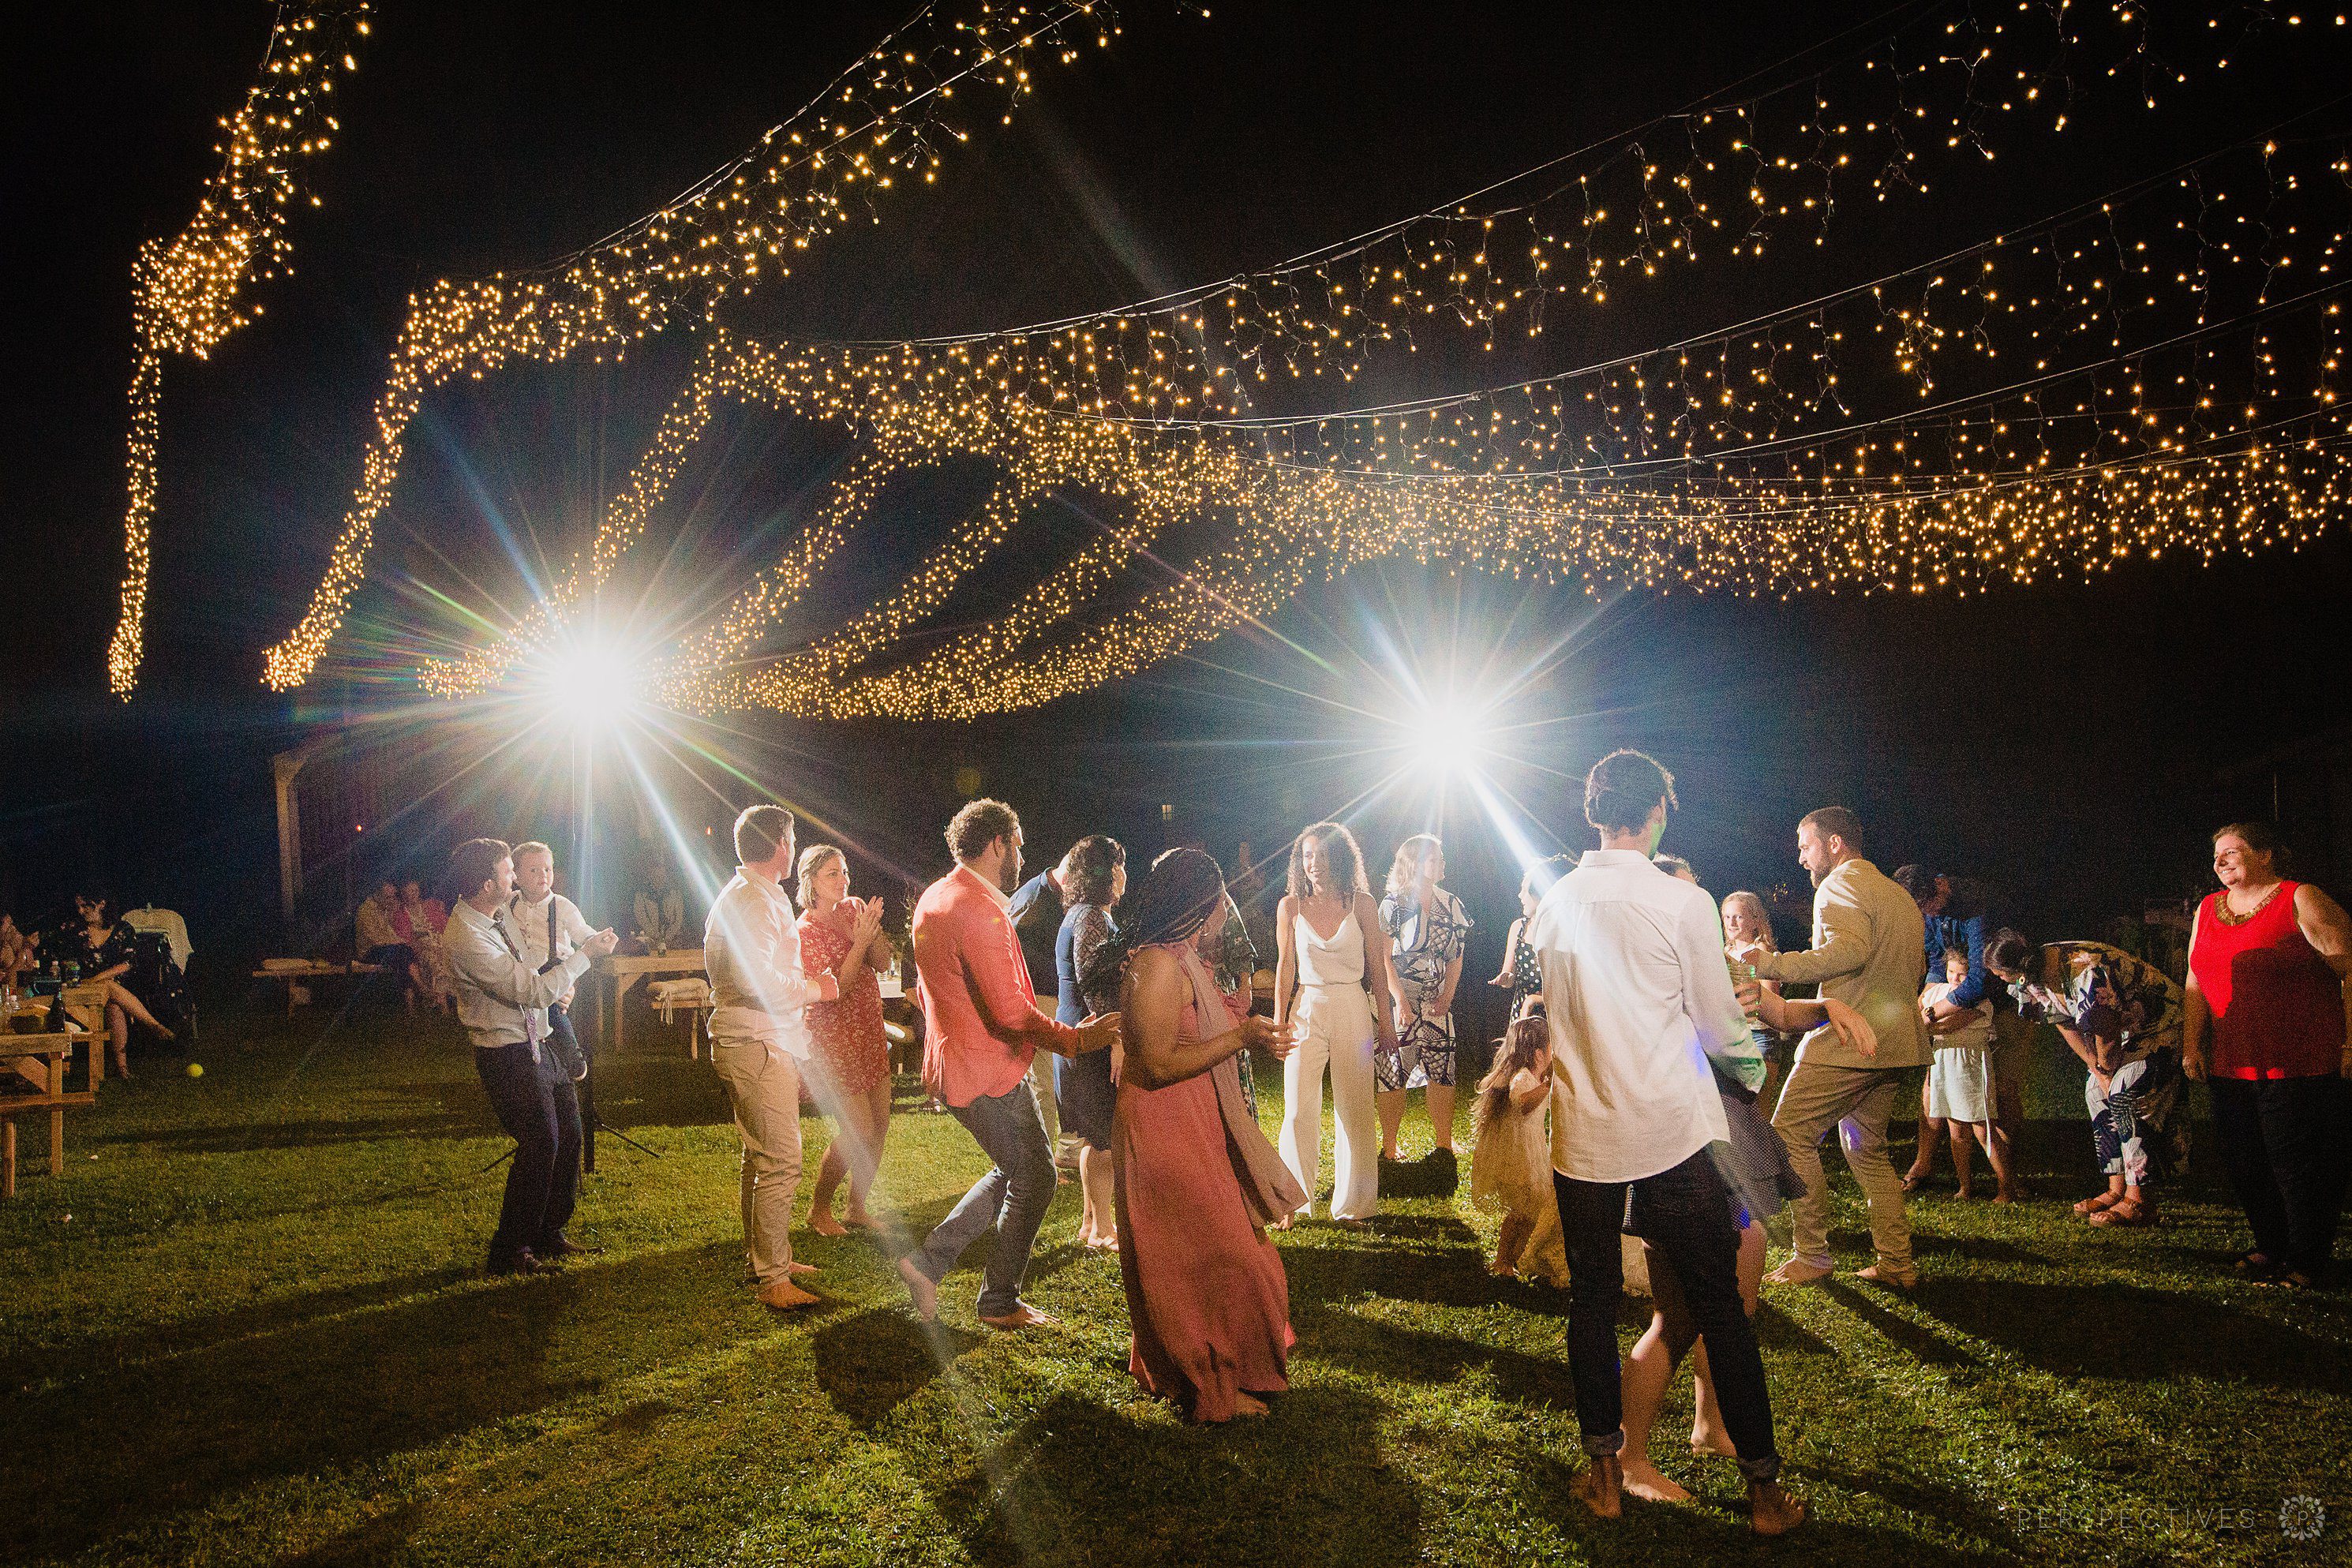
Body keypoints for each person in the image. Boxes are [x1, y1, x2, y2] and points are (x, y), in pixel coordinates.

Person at [1529, 748, 1803, 1534]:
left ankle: (1605, 1477)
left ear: (1592, 812)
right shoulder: (1684, 902)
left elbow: (1556, 1015)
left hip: (1583, 1133)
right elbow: (1721, 1028)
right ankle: (1763, 1495)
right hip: (1672, 1132)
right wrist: (1750, 1074)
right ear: (1657, 813)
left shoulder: (1555, 901)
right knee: (1720, 1305)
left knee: (1590, 1303)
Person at [1620, 960, 1872, 1508]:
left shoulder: (1709, 976)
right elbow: (1747, 1065)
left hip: (1722, 1151)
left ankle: (1707, 1426)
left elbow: (1781, 1012)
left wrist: (1828, 1006)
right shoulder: (1661, 987)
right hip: (1699, 1155)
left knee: (1723, 1305)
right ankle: (1629, 1459)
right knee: (1685, 1316)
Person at [1082, 848, 1304, 1421]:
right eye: (1220, 900)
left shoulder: (1186, 961)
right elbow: (1153, 1063)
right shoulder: (1157, 965)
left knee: (1222, 1252)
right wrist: (1242, 1037)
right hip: (1160, 1121)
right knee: (1211, 1256)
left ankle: (1204, 1367)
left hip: (1193, 1117)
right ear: (1201, 905)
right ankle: (1210, 1381)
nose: (1226, 912)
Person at [897, 799, 1119, 1328]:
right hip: (987, 1071)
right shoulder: (974, 908)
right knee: (1036, 1177)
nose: (1022, 853)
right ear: (997, 842)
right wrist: (1074, 1041)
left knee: (1017, 1169)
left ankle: (929, 1265)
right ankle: (996, 1298)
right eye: (1017, 842)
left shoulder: (937, 895)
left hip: (960, 1063)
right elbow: (1011, 1007)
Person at [1736, 806, 1929, 1289]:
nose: (1801, 858)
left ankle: (1813, 1255)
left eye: (1805, 846)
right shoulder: (1899, 896)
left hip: (1847, 1043)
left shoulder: (1838, 886)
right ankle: (1897, 1263)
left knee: (1788, 1136)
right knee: (1867, 1152)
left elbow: (1848, 952)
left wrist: (1770, 964)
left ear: (1835, 843)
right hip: (1896, 1045)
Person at [2184, 821, 2352, 1289]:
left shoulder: (2300, 898)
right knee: (2245, 1159)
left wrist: (2351, 1042)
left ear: (2267, 855)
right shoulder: (2207, 909)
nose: (2220, 861)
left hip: (2300, 1059)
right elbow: (2195, 981)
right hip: (2232, 1061)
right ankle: (2270, 1245)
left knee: (2297, 1163)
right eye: (2216, 854)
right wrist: (2191, 1045)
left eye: (2233, 851)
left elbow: (2349, 968)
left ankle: (2307, 1257)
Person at [440, 838, 617, 1275]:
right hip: (507, 1052)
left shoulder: (498, 915)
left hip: (542, 1038)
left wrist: (564, 982)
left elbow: (536, 966)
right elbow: (528, 989)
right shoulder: (466, 936)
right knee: (540, 1144)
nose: (514, 877)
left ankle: (548, 1232)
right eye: (507, 871)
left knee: (571, 1137)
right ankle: (510, 1249)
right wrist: (582, 960)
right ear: (486, 885)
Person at [705, 806, 839, 1311]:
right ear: (781, 843)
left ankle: (765, 1257)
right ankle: (773, 1280)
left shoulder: (756, 895)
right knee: (781, 1161)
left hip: (756, 1039)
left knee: (758, 1156)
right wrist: (816, 989)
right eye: (792, 837)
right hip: (755, 1041)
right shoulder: (753, 901)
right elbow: (754, 980)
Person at [1988, 928, 2184, 1228]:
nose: (2000, 980)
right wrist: (2095, 1068)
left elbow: (2105, 1030)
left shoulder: (2085, 970)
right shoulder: (2035, 975)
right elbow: (2063, 1022)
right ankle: (2115, 1188)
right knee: (2095, 1091)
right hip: (2127, 1032)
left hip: (2161, 1025)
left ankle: (2139, 1198)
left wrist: (2108, 1071)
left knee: (2122, 1092)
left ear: (2018, 969)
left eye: (2001, 974)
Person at [1272, 821, 1398, 1225]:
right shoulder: (1290, 906)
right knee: (1296, 1108)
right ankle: (1294, 1199)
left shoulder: (1362, 903)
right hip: (1306, 1008)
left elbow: (1377, 969)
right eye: (1308, 856)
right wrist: (1278, 1019)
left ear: (1339, 859)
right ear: (1300, 862)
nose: (1315, 864)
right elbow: (1284, 966)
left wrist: (1387, 1022)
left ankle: (1355, 1203)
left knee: (1356, 1106)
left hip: (1352, 1007)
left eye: (1323, 856)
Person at [1891, 866, 2015, 1192]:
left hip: (1999, 999)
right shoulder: (1929, 910)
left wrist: (1930, 1014)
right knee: (1933, 1088)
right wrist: (1923, 1002)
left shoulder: (1975, 905)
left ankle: (2009, 1173)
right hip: (1953, 1000)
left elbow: (1979, 981)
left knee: (2001, 1089)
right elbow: (1936, 961)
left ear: (1940, 889)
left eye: (1924, 906)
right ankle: (1925, 1161)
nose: (1923, 914)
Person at [796, 844, 893, 1238]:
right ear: (811, 882)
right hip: (834, 1040)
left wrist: (871, 932)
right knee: (858, 1131)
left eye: (844, 871)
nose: (843, 880)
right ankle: (819, 1208)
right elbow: (838, 986)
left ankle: (857, 1206)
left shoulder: (854, 909)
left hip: (868, 1031)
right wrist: (859, 943)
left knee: (880, 1127)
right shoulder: (805, 931)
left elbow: (884, 962)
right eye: (832, 873)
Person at [1378, 833, 1472, 1165]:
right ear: (1413, 864)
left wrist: (1447, 995)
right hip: (1399, 1001)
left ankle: (1443, 1146)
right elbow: (1384, 959)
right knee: (1392, 1072)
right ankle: (1389, 1147)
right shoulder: (1393, 905)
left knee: (1443, 1069)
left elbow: (1456, 958)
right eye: (1434, 859)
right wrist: (1399, 1000)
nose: (1441, 863)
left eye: (1441, 858)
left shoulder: (1452, 904)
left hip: (1437, 1002)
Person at [1054, 834, 1127, 1250]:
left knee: (1095, 1135)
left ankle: (1089, 1223)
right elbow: (1094, 982)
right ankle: (1102, 1229)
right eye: (1118, 865)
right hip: (1090, 1040)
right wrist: (1115, 1038)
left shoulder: (1084, 914)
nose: (1123, 874)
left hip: (1079, 1038)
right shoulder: (1091, 918)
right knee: (1102, 1138)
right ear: (1104, 873)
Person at [1468, 1014, 1567, 1285]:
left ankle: (1514, 1260)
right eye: (1550, 1048)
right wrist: (1547, 1086)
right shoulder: (1522, 1078)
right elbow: (1521, 1101)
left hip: (1529, 1153)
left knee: (1529, 1212)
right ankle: (1503, 1260)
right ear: (1538, 1054)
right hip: (1520, 1158)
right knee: (1521, 1214)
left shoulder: (1530, 1074)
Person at [1915, 947, 2016, 1201]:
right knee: (1956, 1131)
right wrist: (1927, 1021)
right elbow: (1920, 1015)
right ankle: (1965, 1187)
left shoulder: (1978, 998)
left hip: (1969, 1062)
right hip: (1943, 1062)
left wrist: (1928, 1022)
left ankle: (2006, 1187)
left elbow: (1951, 1025)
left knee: (1983, 1130)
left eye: (1962, 975)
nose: (1955, 980)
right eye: (1951, 972)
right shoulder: (1937, 991)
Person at [1007, 848, 1075, 1173]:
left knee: (1050, 1082)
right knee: (1044, 1084)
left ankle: (1054, 1152)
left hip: (1048, 999)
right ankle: (1043, 1163)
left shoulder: (1041, 891)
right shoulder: (1037, 899)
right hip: (1038, 998)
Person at [58, 891, 175, 1076]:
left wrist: (98, 979)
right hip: (83, 985)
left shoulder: (122, 929)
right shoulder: (75, 929)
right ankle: (153, 1025)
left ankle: (122, 1069)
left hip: (112, 985)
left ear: (101, 904)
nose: (81, 911)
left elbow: (127, 963)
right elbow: (66, 959)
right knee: (111, 992)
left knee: (114, 1005)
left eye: (86, 906)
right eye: (78, 907)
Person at [511, 843, 596, 1082]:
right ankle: (535, 1060)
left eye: (548, 869)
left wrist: (596, 938)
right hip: (524, 970)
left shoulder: (562, 905)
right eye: (534, 870)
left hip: (554, 967)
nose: (544, 875)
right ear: (516, 876)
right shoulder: (510, 903)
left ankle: (572, 1052)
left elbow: (582, 931)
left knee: (556, 1010)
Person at [1491, 856, 1574, 1023]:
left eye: (1525, 890)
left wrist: (1536, 999)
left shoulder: (1566, 931)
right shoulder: (1518, 928)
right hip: (1523, 1014)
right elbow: (1509, 976)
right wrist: (1505, 978)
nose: (1520, 895)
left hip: (1555, 1014)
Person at [355, 881, 421, 1010]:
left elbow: (391, 934)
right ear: (377, 895)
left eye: (392, 897)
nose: (390, 900)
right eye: (387, 897)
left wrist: (402, 942)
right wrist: (399, 943)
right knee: (402, 952)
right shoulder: (366, 911)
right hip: (369, 951)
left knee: (404, 954)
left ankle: (410, 998)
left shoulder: (383, 910)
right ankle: (419, 988)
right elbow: (375, 939)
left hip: (386, 949)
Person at [400, 879, 455, 1012]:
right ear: (404, 894)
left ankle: (457, 1000)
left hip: (439, 940)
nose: (414, 894)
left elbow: (445, 923)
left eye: (416, 891)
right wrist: (426, 946)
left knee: (452, 957)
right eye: (410, 891)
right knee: (434, 961)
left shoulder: (429, 905)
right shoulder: (401, 913)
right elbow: (406, 940)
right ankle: (442, 1004)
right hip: (420, 947)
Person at [633, 859, 685, 951]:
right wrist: (656, 936)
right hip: (650, 940)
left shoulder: (676, 894)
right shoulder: (641, 895)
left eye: (661, 876)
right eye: (656, 876)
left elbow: (678, 919)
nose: (659, 879)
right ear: (650, 876)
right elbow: (641, 918)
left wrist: (667, 937)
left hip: (672, 940)